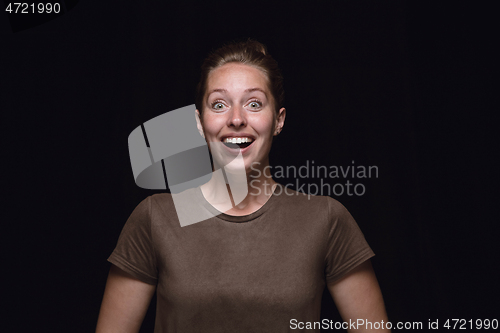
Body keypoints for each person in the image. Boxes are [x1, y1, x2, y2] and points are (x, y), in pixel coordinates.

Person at [96, 40, 390, 333]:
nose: (236, 119)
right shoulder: (154, 218)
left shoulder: (326, 219)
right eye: (219, 104)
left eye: (254, 104)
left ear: (278, 120)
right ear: (200, 122)